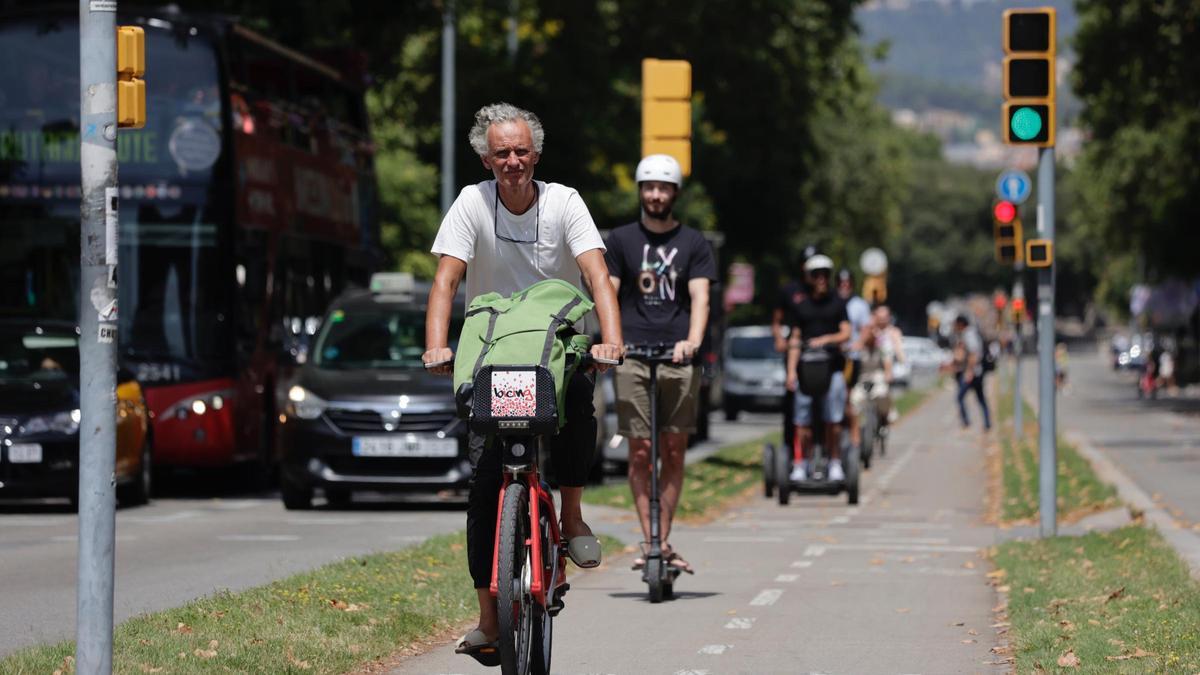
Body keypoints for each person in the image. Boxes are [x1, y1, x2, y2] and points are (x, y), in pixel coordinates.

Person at [421, 103, 624, 658]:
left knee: (579, 401)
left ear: (536, 154)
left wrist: (610, 337)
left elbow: (596, 274)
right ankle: (489, 617)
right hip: (495, 353)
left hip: (558, 350)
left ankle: (573, 515)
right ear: (486, 159)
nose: (511, 161)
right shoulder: (472, 203)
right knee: (484, 482)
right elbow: (446, 281)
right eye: (501, 153)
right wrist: (437, 344)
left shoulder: (565, 202)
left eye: (520, 151)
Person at [604, 154, 715, 574]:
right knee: (640, 452)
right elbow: (608, 293)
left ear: (674, 194)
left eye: (663, 188)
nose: (655, 194)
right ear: (640, 191)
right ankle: (651, 540)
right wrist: (610, 340)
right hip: (632, 352)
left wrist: (693, 341)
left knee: (673, 449)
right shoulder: (621, 241)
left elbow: (701, 297)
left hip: (677, 356)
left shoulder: (693, 244)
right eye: (649, 187)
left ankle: (663, 539)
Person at [785, 254, 851, 482]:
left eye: (825, 274)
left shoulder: (837, 302)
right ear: (809, 277)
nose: (822, 279)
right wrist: (791, 372)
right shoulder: (800, 304)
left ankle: (834, 462)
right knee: (802, 421)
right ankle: (801, 462)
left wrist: (825, 340)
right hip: (806, 372)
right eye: (817, 275)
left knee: (833, 419)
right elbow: (794, 340)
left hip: (832, 369)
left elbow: (846, 332)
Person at [770, 246, 815, 464]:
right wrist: (780, 339)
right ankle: (790, 449)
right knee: (792, 402)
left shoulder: (822, 289)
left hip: (819, 354)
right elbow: (777, 321)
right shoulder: (790, 290)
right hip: (795, 351)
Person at [837, 269, 872, 451]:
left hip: (851, 359)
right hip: (834, 357)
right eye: (841, 283)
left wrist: (858, 343)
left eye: (847, 283)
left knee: (849, 399)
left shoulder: (859, 305)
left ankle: (855, 438)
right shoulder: (832, 302)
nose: (844, 286)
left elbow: (866, 328)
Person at [950, 314, 991, 430]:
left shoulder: (969, 334)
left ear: (961, 324)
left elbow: (973, 355)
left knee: (960, 397)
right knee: (981, 398)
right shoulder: (969, 334)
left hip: (973, 373)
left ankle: (967, 422)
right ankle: (987, 423)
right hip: (976, 372)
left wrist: (969, 372)